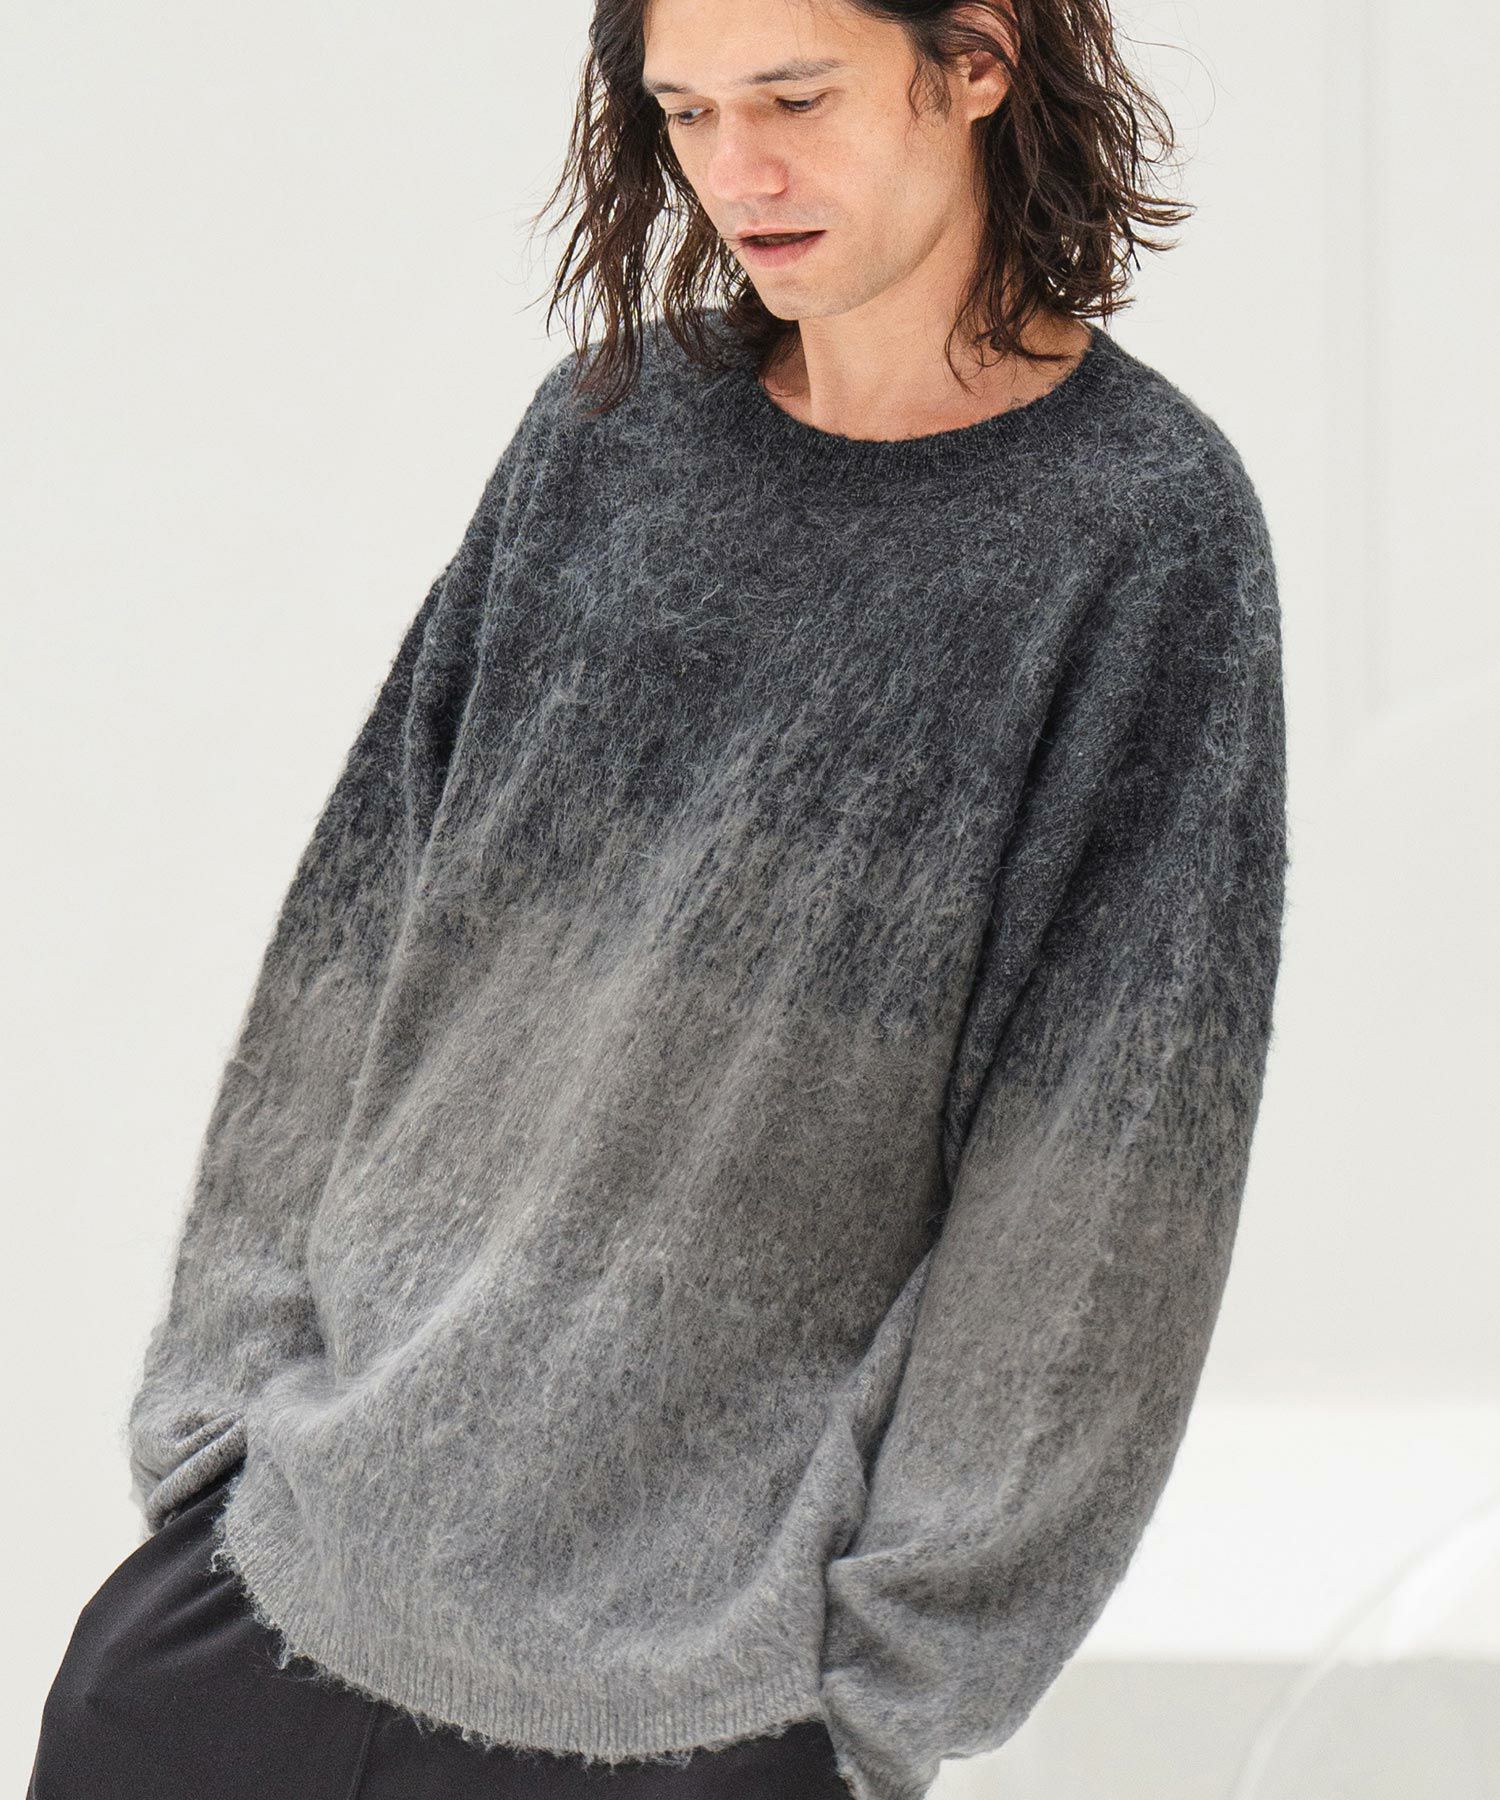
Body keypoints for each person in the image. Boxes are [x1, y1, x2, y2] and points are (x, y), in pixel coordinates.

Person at [29, 0, 1289, 1797]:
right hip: (271, 1602)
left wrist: (890, 1677)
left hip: (698, 1695)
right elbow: (355, 934)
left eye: (795, 97)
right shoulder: (606, 432)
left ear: (979, 58)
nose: (738, 171)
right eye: (687, 112)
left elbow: (1110, 1174)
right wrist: (220, 1423)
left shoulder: (1141, 531)